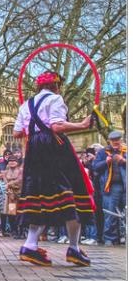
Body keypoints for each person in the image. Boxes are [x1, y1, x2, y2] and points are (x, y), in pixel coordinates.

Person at [13, 71, 94, 266]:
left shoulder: (26, 104)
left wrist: (33, 129)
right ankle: (74, 248)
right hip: (54, 148)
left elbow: (16, 132)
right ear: (56, 86)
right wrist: (82, 124)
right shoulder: (56, 99)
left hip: (33, 149)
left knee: (40, 197)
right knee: (72, 193)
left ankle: (30, 246)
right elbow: (57, 126)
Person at [93, 131, 126, 246]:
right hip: (111, 187)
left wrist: (124, 161)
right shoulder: (103, 152)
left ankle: (124, 236)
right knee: (110, 213)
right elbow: (95, 167)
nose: (116, 142)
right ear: (109, 141)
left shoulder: (126, 151)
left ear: (121, 140)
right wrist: (105, 162)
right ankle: (110, 238)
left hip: (126, 186)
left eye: (118, 139)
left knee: (125, 213)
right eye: (113, 140)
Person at [2, 153, 23, 239]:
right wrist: (9, 187)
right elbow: (5, 183)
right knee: (11, 214)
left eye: (14, 161)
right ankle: (14, 230)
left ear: (17, 162)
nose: (12, 162)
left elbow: (20, 181)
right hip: (11, 196)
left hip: (19, 195)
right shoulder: (6, 171)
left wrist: (10, 184)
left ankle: (20, 231)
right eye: (10, 161)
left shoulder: (21, 170)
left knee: (20, 214)